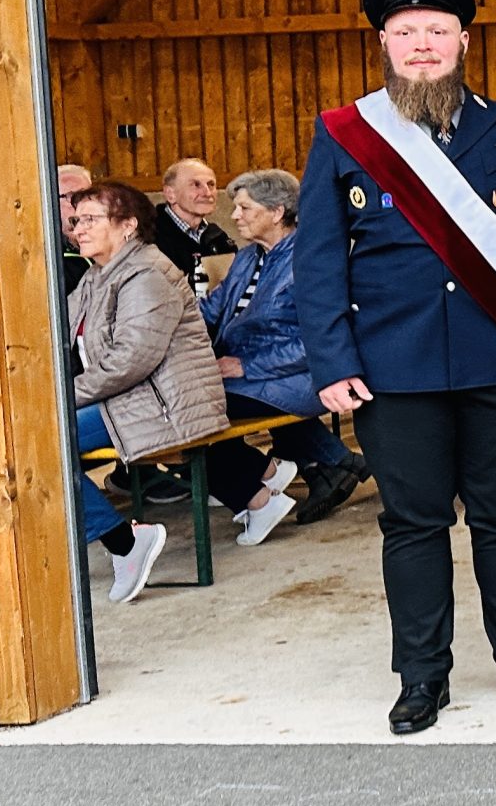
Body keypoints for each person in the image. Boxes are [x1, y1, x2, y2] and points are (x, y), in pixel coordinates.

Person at [295, 0, 496, 736]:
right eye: (406, 31)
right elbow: (320, 259)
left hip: (495, 354)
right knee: (414, 525)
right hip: (393, 370)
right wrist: (333, 363)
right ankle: (421, 678)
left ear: (465, 39)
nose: (422, 44)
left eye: (437, 29)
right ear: (385, 43)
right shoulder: (345, 134)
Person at [67, 183, 303, 602]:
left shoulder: (146, 273)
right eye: (75, 220)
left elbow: (131, 360)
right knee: (35, 438)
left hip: (162, 404)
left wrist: (64, 396)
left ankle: (124, 543)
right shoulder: (95, 276)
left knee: (49, 442)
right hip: (127, 400)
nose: (78, 229)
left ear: (127, 227)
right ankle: (124, 538)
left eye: (90, 219)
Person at [200, 168, 372, 528]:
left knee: (194, 409)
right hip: (248, 374)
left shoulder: (307, 259)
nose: (234, 216)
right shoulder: (249, 256)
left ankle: (267, 485)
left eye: (245, 208)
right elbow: (212, 310)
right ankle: (325, 464)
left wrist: (246, 366)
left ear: (277, 212)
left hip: (300, 376)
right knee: (188, 403)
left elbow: (318, 340)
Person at [152, 155, 236, 295]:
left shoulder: (219, 238)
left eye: (211, 185)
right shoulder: (150, 237)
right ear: (170, 194)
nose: (207, 193)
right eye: (196, 185)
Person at [57, 162, 92, 293]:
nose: (79, 204)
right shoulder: (51, 258)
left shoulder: (107, 243)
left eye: (86, 196)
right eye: (70, 196)